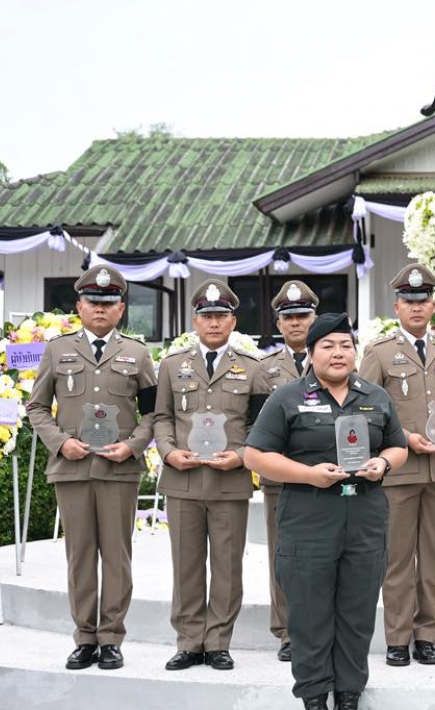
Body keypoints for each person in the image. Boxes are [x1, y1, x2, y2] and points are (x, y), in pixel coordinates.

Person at [245, 313, 410, 710]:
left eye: (345, 345)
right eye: (328, 346)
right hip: (309, 519)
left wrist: (383, 463)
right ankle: (315, 695)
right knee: (309, 613)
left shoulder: (375, 396)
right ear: (311, 352)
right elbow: (254, 455)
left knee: (357, 611)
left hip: (364, 519)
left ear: (355, 352)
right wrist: (308, 474)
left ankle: (349, 693)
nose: (338, 353)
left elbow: (398, 446)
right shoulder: (286, 398)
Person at [27, 265, 157, 671]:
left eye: (109, 303)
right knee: (80, 556)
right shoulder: (57, 350)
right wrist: (60, 442)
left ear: (121, 309)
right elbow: (36, 407)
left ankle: (111, 638)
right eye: (93, 302)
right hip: (72, 468)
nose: (100, 309)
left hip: (119, 469)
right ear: (79, 306)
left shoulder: (138, 353)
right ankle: (85, 637)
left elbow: (154, 413)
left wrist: (132, 446)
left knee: (117, 556)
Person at [359, 264, 435, 668]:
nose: (416, 307)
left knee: (432, 557)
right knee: (398, 558)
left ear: (433, 304)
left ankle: (426, 635)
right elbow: (365, 410)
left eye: (423, 300)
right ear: (397, 306)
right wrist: (405, 437)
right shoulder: (378, 352)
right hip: (400, 471)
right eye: (409, 301)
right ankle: (397, 637)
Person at [154, 279, 269, 672]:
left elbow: (259, 425)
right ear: (195, 321)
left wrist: (240, 456)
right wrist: (168, 452)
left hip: (229, 482)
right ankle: (189, 642)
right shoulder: (172, 366)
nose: (214, 322)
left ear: (233, 321)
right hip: (182, 480)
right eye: (207, 316)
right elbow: (161, 417)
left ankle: (218, 641)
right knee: (185, 566)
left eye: (221, 316)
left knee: (227, 567)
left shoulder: (252, 368)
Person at [259, 279, 321, 663]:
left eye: (302, 316)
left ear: (314, 319)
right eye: (289, 318)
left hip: (325, 477)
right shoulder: (263, 369)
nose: (296, 323)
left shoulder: (334, 360)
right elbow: (255, 427)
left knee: (322, 556)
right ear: (279, 324)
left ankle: (318, 627)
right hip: (280, 480)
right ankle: (285, 630)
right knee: (282, 557)